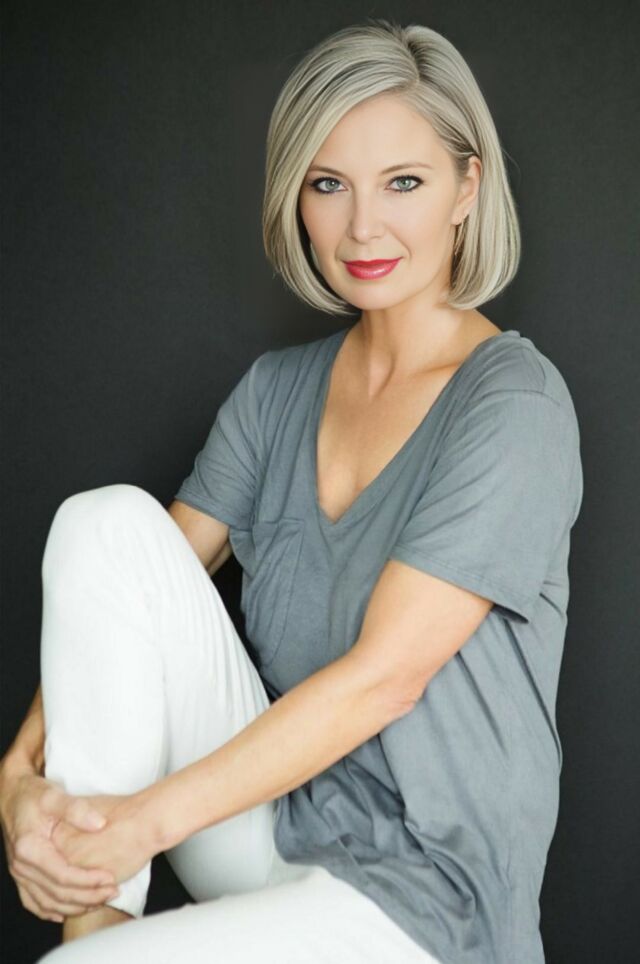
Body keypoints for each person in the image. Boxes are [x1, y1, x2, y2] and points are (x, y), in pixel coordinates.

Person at [0, 17, 583, 964]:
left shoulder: (516, 403)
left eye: (404, 182)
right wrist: (19, 778)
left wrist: (139, 824)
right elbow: (122, 595)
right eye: (328, 183)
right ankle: (93, 907)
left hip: (427, 898)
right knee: (102, 523)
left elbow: (385, 680)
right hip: (275, 830)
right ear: (296, 197)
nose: (363, 227)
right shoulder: (277, 392)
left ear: (468, 188)